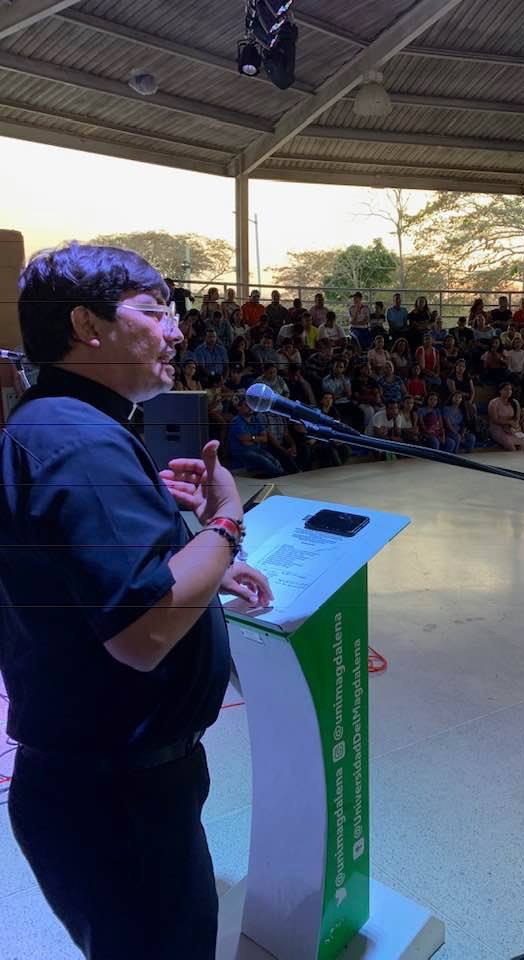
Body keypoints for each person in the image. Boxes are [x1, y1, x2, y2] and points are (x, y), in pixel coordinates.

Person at [1, 242, 272, 960]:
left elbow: (98, 581)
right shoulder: (80, 443)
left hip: (101, 785)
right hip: (116, 800)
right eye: (156, 313)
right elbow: (142, 631)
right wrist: (224, 522)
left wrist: (206, 563)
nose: (177, 331)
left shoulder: (56, 426)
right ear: (88, 325)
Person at [488, 382, 524, 452]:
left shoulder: (515, 402)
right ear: (500, 391)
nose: (508, 391)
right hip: (497, 428)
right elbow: (494, 419)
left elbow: (517, 419)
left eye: (510, 389)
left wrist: (514, 427)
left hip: (511, 428)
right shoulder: (494, 402)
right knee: (510, 444)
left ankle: (522, 461)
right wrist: (508, 423)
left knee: (523, 439)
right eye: (506, 389)